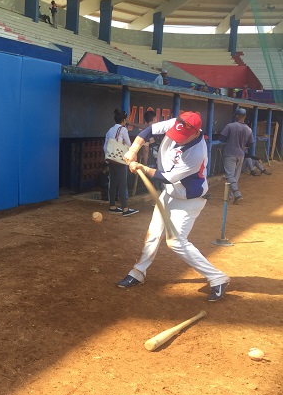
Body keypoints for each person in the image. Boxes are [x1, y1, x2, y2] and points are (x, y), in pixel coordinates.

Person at [116, 111, 230, 301]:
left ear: (195, 133)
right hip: (169, 193)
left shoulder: (197, 153)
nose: (177, 139)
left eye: (183, 137)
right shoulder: (179, 123)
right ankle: (138, 272)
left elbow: (167, 177)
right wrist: (133, 149)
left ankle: (217, 278)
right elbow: (150, 130)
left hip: (188, 200)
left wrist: (141, 167)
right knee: (153, 233)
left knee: (176, 242)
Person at [103, 108, 139, 217]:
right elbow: (128, 143)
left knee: (113, 183)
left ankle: (112, 206)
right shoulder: (123, 130)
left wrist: (107, 158)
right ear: (123, 120)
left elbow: (105, 146)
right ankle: (125, 209)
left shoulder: (109, 130)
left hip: (111, 159)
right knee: (122, 184)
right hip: (120, 160)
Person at [218, 108, 254, 203]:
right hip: (241, 154)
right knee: (235, 177)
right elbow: (250, 144)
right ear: (245, 117)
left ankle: (237, 193)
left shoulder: (230, 126)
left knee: (230, 175)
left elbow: (221, 138)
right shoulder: (248, 129)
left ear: (236, 116)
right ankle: (231, 196)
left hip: (230, 153)